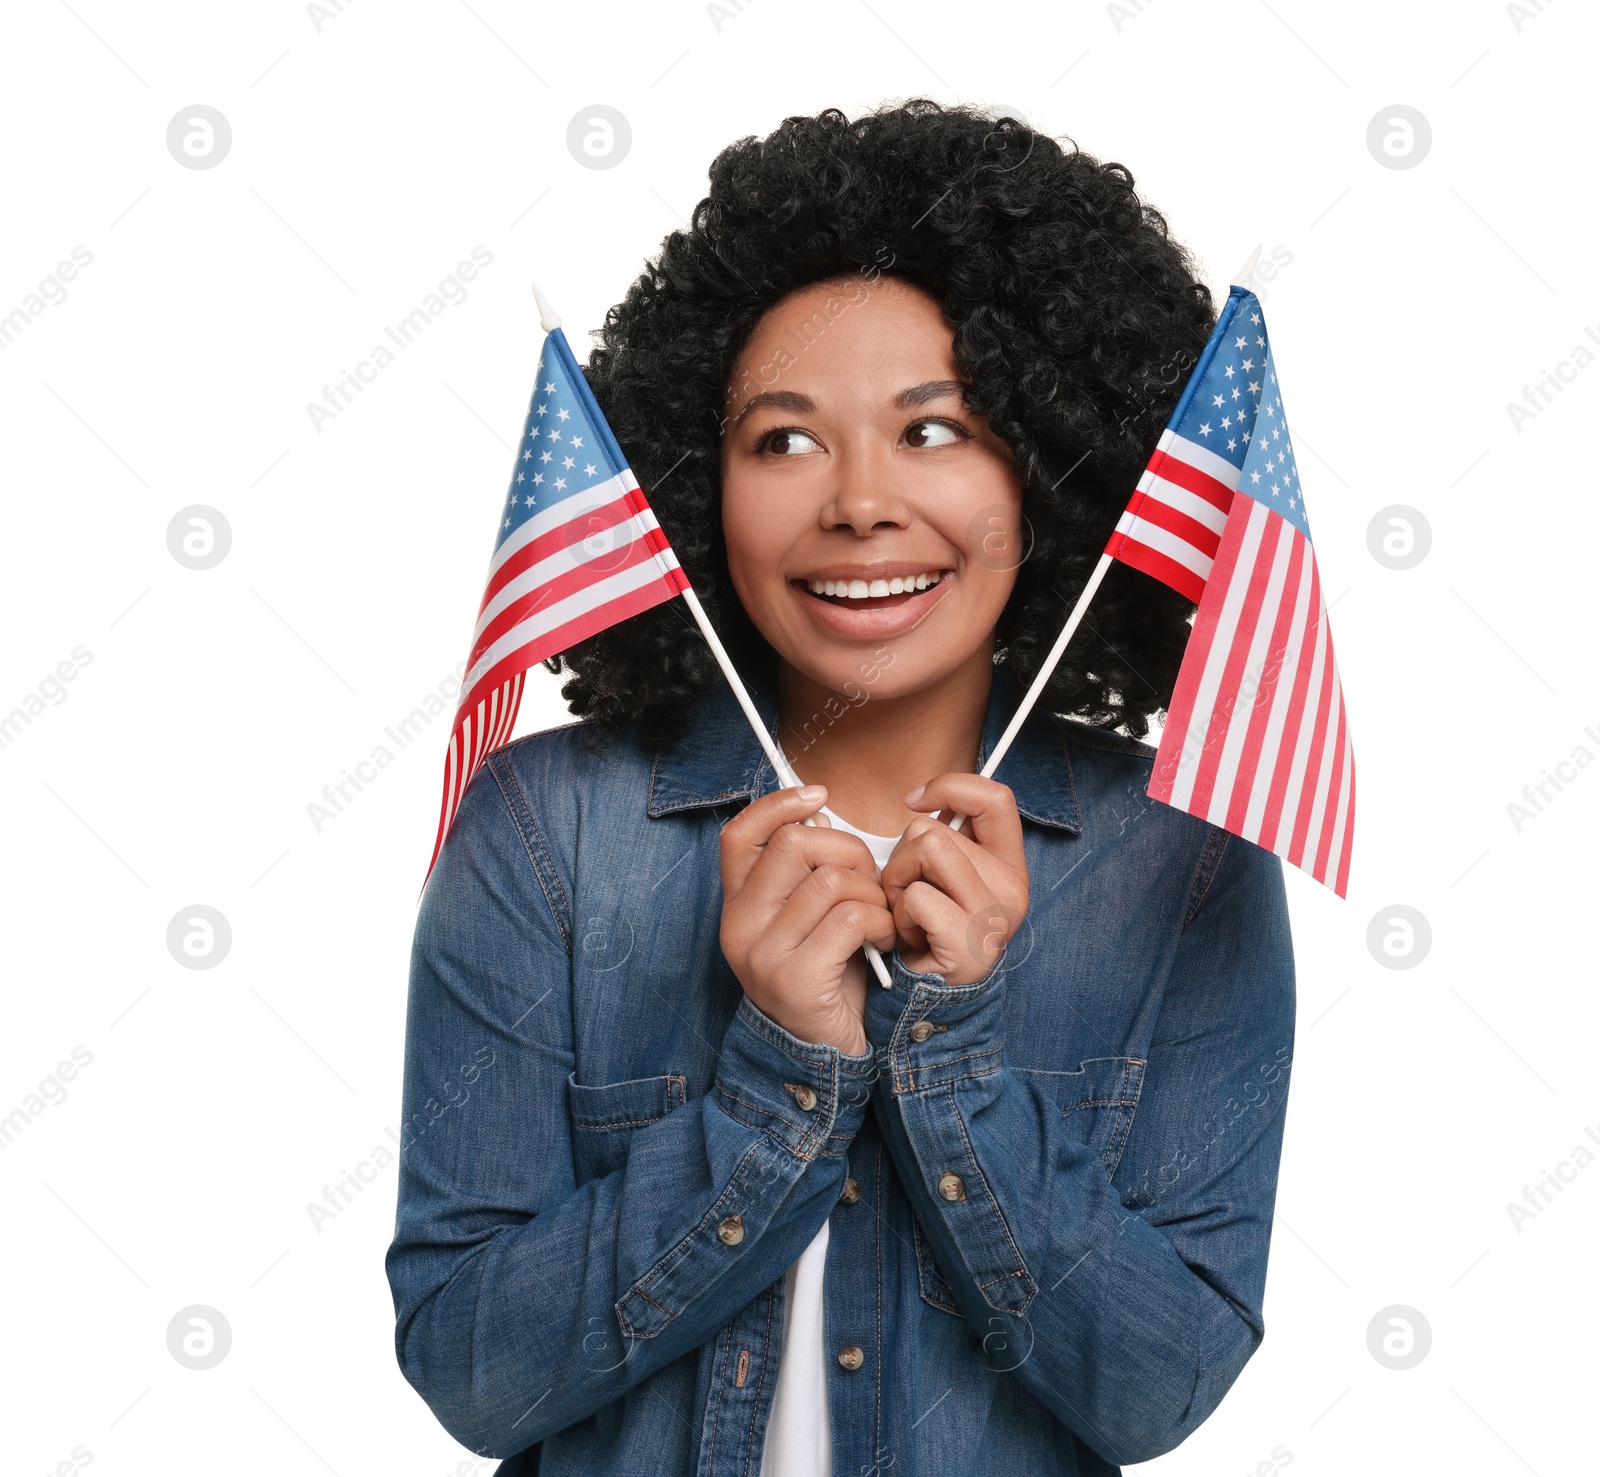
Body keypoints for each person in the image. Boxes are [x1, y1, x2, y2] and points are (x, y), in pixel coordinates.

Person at [385, 100, 1295, 1477]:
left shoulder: (1185, 860)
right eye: (785, 441)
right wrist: (784, 1073)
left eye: (936, 432)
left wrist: (947, 1048)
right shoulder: (543, 832)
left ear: (1047, 471)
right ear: (700, 485)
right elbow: (471, 1372)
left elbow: (1157, 1386)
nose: (861, 502)